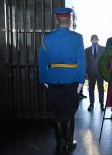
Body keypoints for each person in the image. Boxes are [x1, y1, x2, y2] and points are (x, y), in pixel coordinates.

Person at [38, 7, 85, 153]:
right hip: (71, 80)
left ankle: (60, 143)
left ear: (57, 20)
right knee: (70, 112)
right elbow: (81, 60)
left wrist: (44, 78)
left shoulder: (46, 38)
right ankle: (70, 143)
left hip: (53, 80)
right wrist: (81, 80)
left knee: (56, 113)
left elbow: (42, 60)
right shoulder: (77, 38)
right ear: (70, 21)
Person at [85, 34, 105, 111]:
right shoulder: (87, 50)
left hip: (100, 73)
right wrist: (86, 73)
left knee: (101, 89)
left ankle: (102, 104)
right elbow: (86, 62)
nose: (94, 40)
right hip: (90, 72)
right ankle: (91, 104)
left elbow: (105, 61)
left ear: (98, 39)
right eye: (92, 39)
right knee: (91, 89)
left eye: (95, 38)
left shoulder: (103, 49)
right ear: (90, 40)